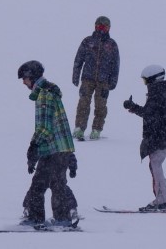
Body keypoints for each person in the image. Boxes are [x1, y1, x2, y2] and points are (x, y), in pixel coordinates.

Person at [18, 60, 79, 229]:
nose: (23, 82)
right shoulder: (49, 92)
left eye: (24, 78)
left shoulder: (44, 95)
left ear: (32, 77)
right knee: (57, 185)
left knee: (39, 186)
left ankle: (36, 219)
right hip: (59, 149)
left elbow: (45, 127)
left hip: (53, 150)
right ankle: (62, 218)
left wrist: (33, 146)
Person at [123, 64, 166, 211]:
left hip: (157, 137)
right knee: (156, 166)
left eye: (146, 81)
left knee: (156, 167)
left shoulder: (159, 94)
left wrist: (133, 107)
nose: (145, 84)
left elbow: (149, 114)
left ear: (154, 79)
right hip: (161, 136)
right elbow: (152, 114)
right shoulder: (164, 92)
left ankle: (163, 200)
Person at [72, 15, 120, 141]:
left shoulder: (112, 44)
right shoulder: (88, 41)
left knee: (101, 106)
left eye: (104, 27)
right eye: (99, 26)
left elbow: (115, 64)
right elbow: (79, 59)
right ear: (95, 26)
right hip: (87, 78)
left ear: (109, 28)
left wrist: (113, 81)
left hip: (104, 81)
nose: (102, 29)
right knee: (83, 103)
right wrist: (75, 76)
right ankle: (79, 128)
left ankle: (96, 129)